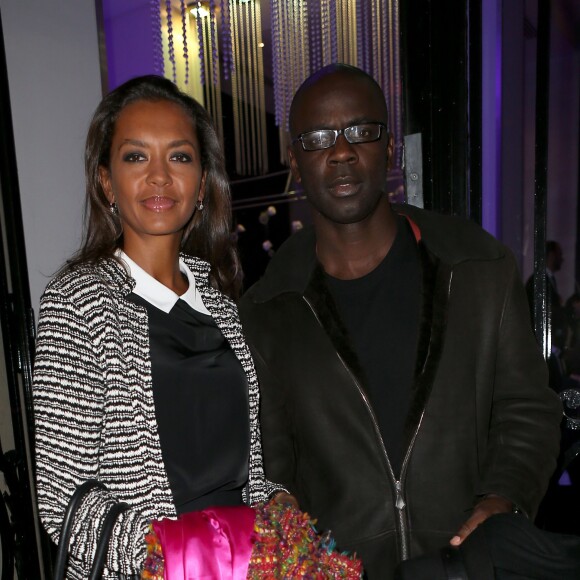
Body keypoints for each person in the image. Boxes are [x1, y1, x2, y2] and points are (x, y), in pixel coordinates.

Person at [239, 64, 563, 578]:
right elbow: (271, 468)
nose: (342, 151)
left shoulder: (476, 269)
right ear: (295, 162)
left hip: (470, 564)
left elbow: (527, 410)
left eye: (361, 132)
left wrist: (504, 502)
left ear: (388, 149)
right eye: (319, 137)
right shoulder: (265, 313)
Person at [33, 75, 361, 579]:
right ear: (106, 182)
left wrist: (281, 511)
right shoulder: (78, 303)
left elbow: (246, 473)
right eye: (136, 157)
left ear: (203, 183)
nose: (160, 177)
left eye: (180, 157)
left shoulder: (223, 306)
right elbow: (63, 501)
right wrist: (184, 556)